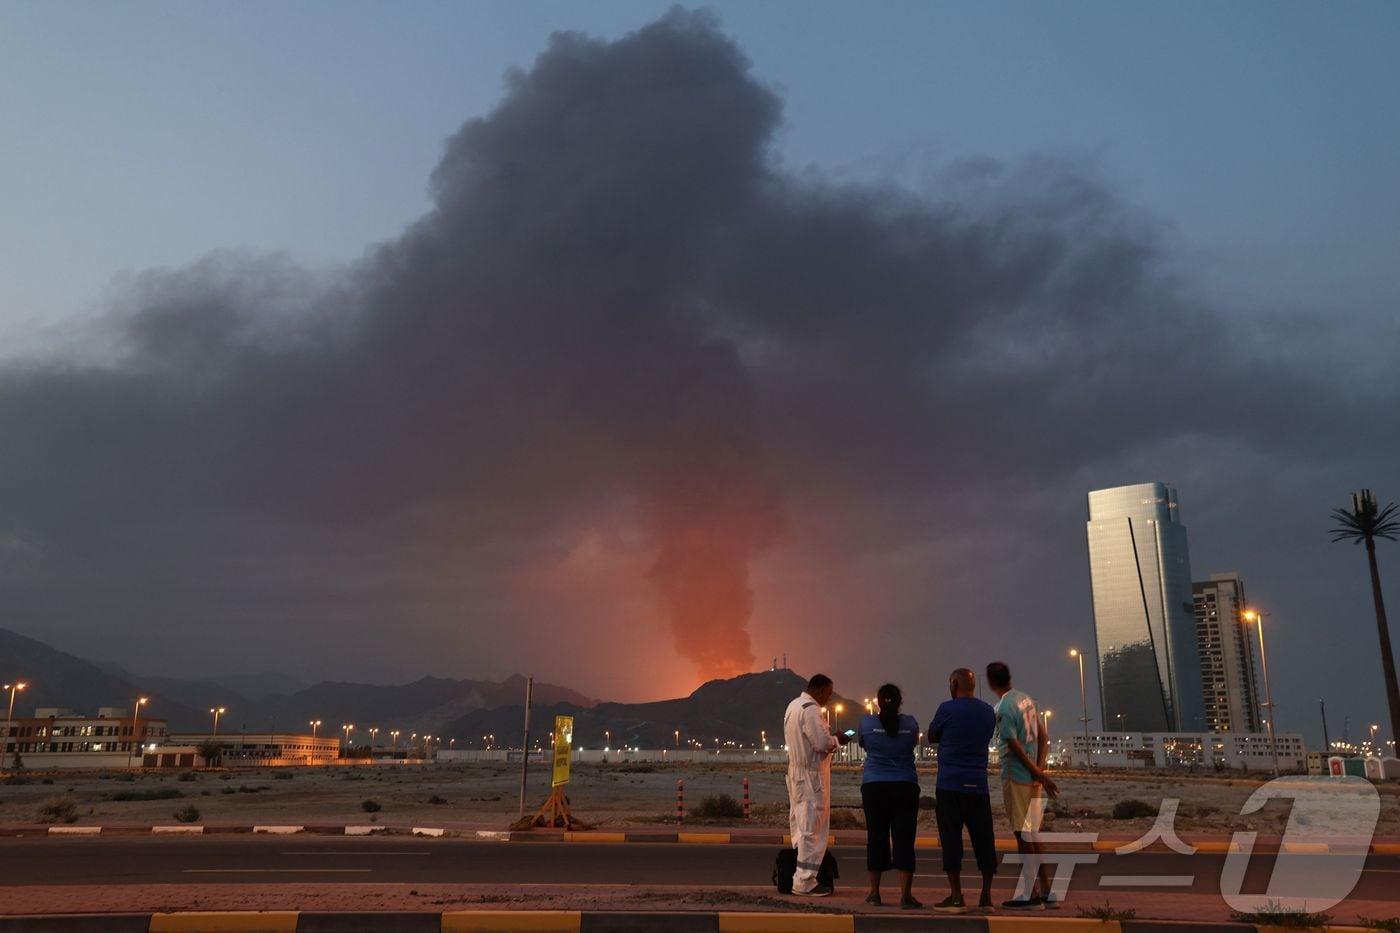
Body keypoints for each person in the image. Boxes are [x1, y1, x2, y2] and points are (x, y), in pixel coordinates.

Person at [987, 661, 1059, 910]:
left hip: (1016, 777)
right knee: (1033, 834)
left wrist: (1036, 772)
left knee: (1022, 836)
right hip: (1032, 779)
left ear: (990, 683)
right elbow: (1044, 737)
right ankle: (1047, 892)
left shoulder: (1004, 707)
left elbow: (1014, 746)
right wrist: (1040, 772)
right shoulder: (1027, 700)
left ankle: (1030, 895)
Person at [927, 667, 998, 913]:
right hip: (978, 784)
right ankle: (986, 896)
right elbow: (988, 735)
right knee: (984, 839)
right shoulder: (988, 711)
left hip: (950, 784)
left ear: (954, 684)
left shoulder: (946, 708)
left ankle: (956, 896)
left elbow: (932, 735)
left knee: (951, 839)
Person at [858, 683, 921, 908]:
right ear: (899, 701)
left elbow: (864, 745)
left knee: (876, 837)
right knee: (904, 839)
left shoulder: (867, 724)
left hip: (874, 786)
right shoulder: (910, 724)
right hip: (905, 785)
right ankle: (905, 896)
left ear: (877, 702)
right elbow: (913, 743)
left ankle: (874, 893)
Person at [783, 673, 845, 896]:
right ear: (819, 691)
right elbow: (821, 743)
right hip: (811, 777)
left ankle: (801, 875)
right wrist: (837, 739)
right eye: (828, 694)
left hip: (797, 774)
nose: (828, 699)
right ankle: (805, 882)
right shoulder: (811, 709)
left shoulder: (793, 706)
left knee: (801, 827)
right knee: (813, 829)